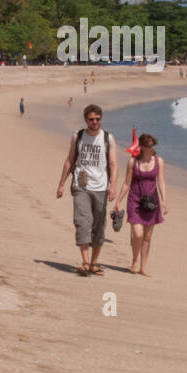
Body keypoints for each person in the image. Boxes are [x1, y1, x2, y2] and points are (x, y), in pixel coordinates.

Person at [56, 104, 117, 277]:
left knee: (98, 226)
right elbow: (70, 161)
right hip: (81, 185)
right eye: (91, 119)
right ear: (85, 119)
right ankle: (85, 261)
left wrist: (113, 186)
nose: (95, 122)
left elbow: (113, 164)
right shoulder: (78, 137)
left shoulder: (108, 138)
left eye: (97, 119)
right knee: (82, 221)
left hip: (101, 187)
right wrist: (61, 184)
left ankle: (95, 263)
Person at [113, 133, 168, 276]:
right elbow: (126, 183)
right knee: (138, 234)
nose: (152, 148)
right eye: (149, 146)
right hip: (135, 200)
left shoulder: (159, 161)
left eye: (153, 145)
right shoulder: (133, 162)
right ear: (142, 147)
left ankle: (143, 266)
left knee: (147, 237)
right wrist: (118, 201)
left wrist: (164, 201)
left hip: (152, 202)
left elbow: (160, 181)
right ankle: (135, 260)